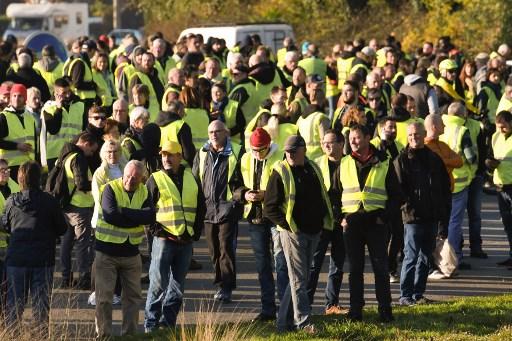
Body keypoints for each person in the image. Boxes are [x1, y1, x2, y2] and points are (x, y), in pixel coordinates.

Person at [330, 124, 403, 322]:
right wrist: (340, 219)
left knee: (381, 268)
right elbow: (334, 195)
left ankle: (385, 311)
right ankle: (356, 311)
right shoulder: (344, 163)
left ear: (368, 138)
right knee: (355, 270)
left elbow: (396, 196)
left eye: (357, 137)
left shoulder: (384, 162)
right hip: (352, 223)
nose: (352, 141)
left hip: (376, 222)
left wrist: (384, 217)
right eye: (350, 138)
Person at [264, 135, 332, 333]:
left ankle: (283, 324)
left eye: (294, 150)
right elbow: (270, 207)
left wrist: (324, 221)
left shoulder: (313, 168)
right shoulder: (281, 171)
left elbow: (322, 195)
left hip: (313, 231)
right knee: (298, 280)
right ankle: (303, 322)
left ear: (304, 150)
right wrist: (288, 225)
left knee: (298, 279)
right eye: (287, 151)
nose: (290, 154)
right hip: (293, 233)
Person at [144, 141, 205, 331]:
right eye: (163, 155)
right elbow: (147, 209)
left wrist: (195, 233)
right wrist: (157, 232)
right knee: (157, 284)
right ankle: (151, 325)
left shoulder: (192, 178)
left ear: (180, 156)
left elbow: (201, 207)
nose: (166, 158)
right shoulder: (155, 178)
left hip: (185, 241)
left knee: (178, 287)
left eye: (171, 155)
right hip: (164, 240)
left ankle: (168, 323)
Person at [2, 161, 67, 335]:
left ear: (20, 178)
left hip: (16, 259)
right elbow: (63, 228)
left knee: (14, 305)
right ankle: (41, 336)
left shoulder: (11, 202)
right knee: (41, 307)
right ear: (39, 178)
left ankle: (11, 336)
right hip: (42, 260)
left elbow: (5, 225)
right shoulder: (50, 201)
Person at [94, 160, 156, 338]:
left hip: (131, 253)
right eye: (128, 176)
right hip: (107, 253)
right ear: (123, 173)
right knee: (104, 298)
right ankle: (104, 335)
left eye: (135, 178)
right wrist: (136, 218)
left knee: (133, 298)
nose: (130, 180)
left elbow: (150, 217)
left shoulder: (144, 190)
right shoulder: (110, 189)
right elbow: (111, 216)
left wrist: (126, 211)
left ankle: (129, 335)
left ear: (142, 178)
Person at [394, 122, 450, 306]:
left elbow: (444, 190)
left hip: (432, 217)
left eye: (417, 134)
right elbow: (398, 190)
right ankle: (405, 296)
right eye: (410, 135)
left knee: (426, 258)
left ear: (424, 134)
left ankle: (418, 294)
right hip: (412, 218)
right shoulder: (401, 160)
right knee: (410, 257)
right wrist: (408, 209)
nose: (413, 138)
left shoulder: (434, 159)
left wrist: (443, 219)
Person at [192, 120, 244, 303]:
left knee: (225, 249)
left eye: (218, 131)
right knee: (213, 250)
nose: (214, 134)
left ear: (226, 132)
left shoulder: (237, 151)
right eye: (211, 132)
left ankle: (226, 286)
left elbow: (242, 180)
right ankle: (220, 281)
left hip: (227, 208)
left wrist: (236, 199)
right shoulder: (202, 152)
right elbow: (195, 179)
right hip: (207, 209)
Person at [239, 128, 285, 322]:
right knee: (262, 265)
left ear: (269, 146)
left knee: (280, 263)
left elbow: (287, 187)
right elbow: (236, 183)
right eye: (254, 150)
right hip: (255, 217)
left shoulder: (280, 157)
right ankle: (268, 309)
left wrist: (267, 194)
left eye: (261, 150)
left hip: (276, 218)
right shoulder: (245, 159)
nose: (257, 154)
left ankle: (284, 309)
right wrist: (244, 194)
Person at [307, 130, 347, 315]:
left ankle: (331, 304)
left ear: (341, 143)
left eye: (330, 143)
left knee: (337, 264)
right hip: (322, 222)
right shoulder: (317, 164)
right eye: (324, 143)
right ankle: (305, 304)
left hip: (343, 222)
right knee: (314, 264)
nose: (326, 146)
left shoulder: (349, 164)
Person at [88, 140, 127, 306]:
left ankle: (116, 292)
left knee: (119, 260)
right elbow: (99, 198)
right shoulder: (99, 173)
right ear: (104, 154)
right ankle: (97, 291)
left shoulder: (126, 169)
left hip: (122, 221)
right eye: (109, 152)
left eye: (116, 151)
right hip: (103, 221)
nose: (112, 155)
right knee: (100, 260)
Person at [58, 132, 99, 290]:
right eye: (92, 150)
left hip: (67, 206)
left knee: (66, 243)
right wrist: (97, 185)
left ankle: (66, 278)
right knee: (82, 243)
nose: (92, 153)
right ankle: (84, 278)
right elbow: (81, 183)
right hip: (79, 206)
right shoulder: (78, 157)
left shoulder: (65, 155)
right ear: (86, 143)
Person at [439, 102, 477, 270]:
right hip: (459, 183)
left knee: (443, 221)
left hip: (442, 182)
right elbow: (470, 157)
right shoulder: (462, 131)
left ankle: (440, 257)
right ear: (463, 115)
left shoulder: (441, 127)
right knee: (455, 222)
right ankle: (453, 258)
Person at [41, 78, 87, 171]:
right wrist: (58, 108)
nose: (68, 94)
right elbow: (53, 129)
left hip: (75, 152)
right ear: (55, 94)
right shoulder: (48, 107)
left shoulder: (80, 105)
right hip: (55, 154)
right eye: (63, 93)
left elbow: (84, 129)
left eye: (68, 91)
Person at [486, 111, 512, 267]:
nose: (500, 130)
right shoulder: (496, 137)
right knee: (508, 224)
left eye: (503, 127)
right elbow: (491, 155)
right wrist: (489, 165)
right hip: (500, 186)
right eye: (498, 127)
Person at [0, 83, 36, 180]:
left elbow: (36, 143)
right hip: (9, 167)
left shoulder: (30, 117)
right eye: (14, 96)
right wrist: (17, 146)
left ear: (25, 99)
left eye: (20, 96)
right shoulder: (3, 117)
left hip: (28, 166)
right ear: (11, 98)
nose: (16, 98)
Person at [156, 100, 196, 167]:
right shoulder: (181, 125)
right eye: (183, 111)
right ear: (179, 111)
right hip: (180, 167)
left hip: (162, 166)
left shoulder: (156, 125)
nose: (185, 114)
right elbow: (188, 154)